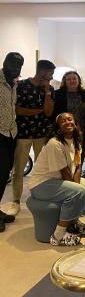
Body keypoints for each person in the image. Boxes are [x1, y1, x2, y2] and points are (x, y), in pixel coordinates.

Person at [29, 113, 85, 246]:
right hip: (41, 184)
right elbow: (64, 171)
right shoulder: (54, 143)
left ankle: (73, 221)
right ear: (58, 127)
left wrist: (76, 186)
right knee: (78, 191)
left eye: (70, 119)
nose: (67, 122)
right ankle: (58, 235)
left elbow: (78, 166)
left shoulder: (76, 139)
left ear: (75, 122)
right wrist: (76, 189)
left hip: (58, 181)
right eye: (63, 121)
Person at [9, 59, 56, 217]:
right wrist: (38, 111)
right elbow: (18, 110)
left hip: (41, 134)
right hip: (23, 133)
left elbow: (48, 112)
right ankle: (16, 200)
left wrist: (47, 90)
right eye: (49, 75)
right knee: (19, 169)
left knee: (43, 169)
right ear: (42, 72)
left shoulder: (49, 89)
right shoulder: (21, 85)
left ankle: (40, 196)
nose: (50, 78)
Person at [0, 52, 24, 231]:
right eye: (13, 64)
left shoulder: (14, 83)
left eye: (19, 65)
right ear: (4, 63)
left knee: (3, 174)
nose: (16, 68)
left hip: (10, 133)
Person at [53, 71, 85, 158]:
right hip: (65, 131)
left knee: (80, 157)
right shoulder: (58, 94)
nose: (72, 81)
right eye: (68, 79)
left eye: (74, 78)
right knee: (65, 157)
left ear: (78, 80)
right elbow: (56, 113)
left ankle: (78, 172)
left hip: (81, 131)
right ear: (65, 81)